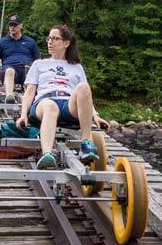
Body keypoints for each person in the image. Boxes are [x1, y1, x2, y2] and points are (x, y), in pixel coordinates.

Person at [16, 23, 109, 170]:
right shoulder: (39, 64)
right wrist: (23, 115)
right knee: (50, 106)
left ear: (66, 43)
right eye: (49, 39)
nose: (50, 42)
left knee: (84, 87)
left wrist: (95, 115)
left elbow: (85, 96)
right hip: (44, 102)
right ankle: (47, 153)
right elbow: (29, 92)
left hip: (68, 103)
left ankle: (86, 143)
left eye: (55, 38)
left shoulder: (77, 67)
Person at [0, 15, 41, 102]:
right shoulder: (1, 42)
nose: (12, 27)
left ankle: (30, 99)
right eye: (11, 25)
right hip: (10, 69)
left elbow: (38, 60)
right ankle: (9, 96)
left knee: (29, 71)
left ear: (21, 25)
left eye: (15, 25)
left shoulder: (31, 42)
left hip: (26, 69)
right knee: (10, 71)